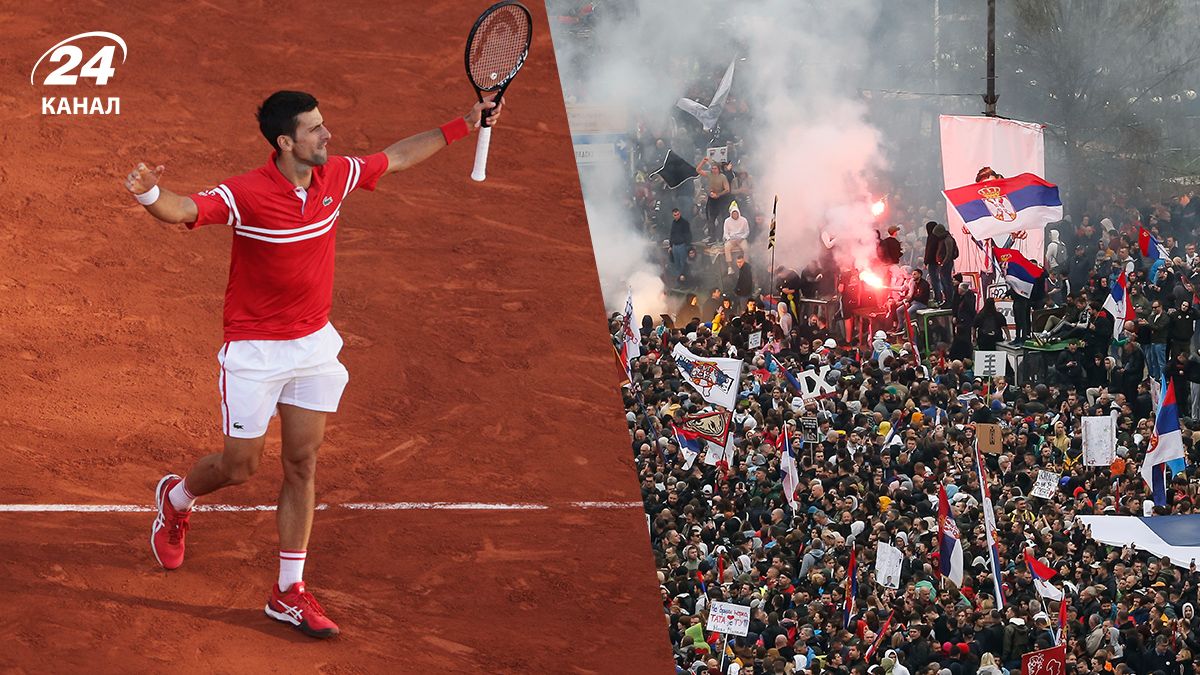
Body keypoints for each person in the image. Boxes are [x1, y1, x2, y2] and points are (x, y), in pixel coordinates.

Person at [124, 90, 499, 638]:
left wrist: (462, 125)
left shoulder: (335, 178)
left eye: (325, 126)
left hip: (313, 346)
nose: (328, 136)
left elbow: (395, 156)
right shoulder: (247, 193)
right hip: (254, 351)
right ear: (285, 142)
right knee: (240, 467)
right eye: (315, 130)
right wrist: (149, 192)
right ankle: (176, 499)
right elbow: (184, 209)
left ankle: (288, 592)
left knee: (302, 464)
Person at [723, 202, 751, 274]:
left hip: (741, 239)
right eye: (733, 214)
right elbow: (725, 233)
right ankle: (730, 267)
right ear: (731, 214)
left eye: (736, 213)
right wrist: (729, 239)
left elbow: (747, 232)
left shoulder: (744, 220)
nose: (735, 215)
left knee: (746, 248)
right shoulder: (727, 221)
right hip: (731, 239)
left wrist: (741, 238)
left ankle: (746, 266)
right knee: (726, 247)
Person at [669, 208, 694, 282]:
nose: (676, 216)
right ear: (673, 215)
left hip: (682, 245)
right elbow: (672, 234)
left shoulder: (685, 223)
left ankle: (686, 282)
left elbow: (688, 234)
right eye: (675, 215)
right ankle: (679, 282)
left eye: (677, 214)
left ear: (680, 213)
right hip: (675, 246)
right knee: (677, 265)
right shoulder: (673, 223)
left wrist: (687, 245)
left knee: (684, 265)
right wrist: (671, 245)